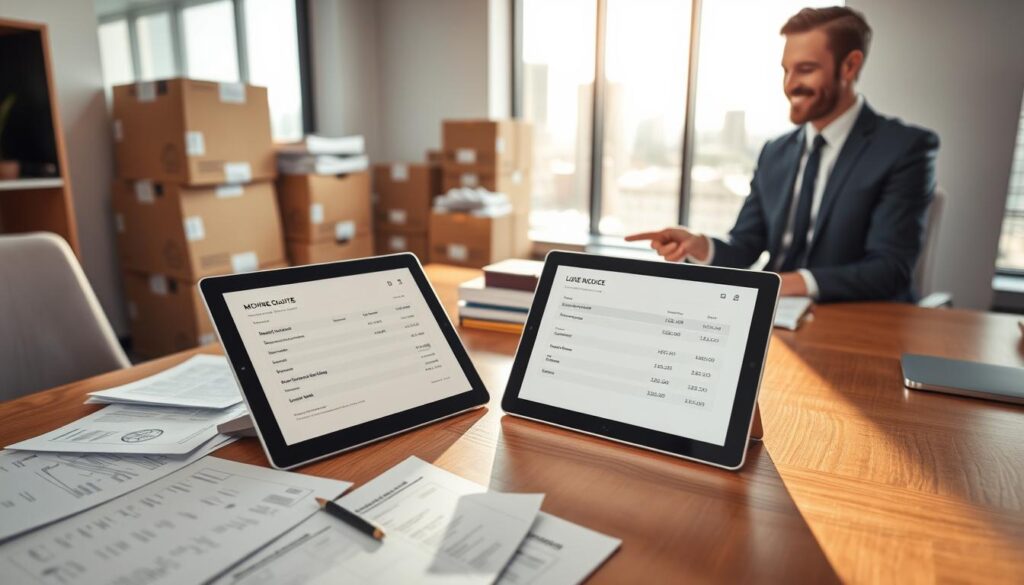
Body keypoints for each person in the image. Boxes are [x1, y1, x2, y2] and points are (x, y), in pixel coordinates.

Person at [626, 6, 939, 302]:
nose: (789, 85)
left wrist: (787, 282)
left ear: (850, 65)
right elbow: (746, 245)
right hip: (776, 315)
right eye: (786, 70)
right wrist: (702, 246)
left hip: (855, 321)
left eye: (805, 70)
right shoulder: (775, 152)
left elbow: (890, 269)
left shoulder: (904, 148)